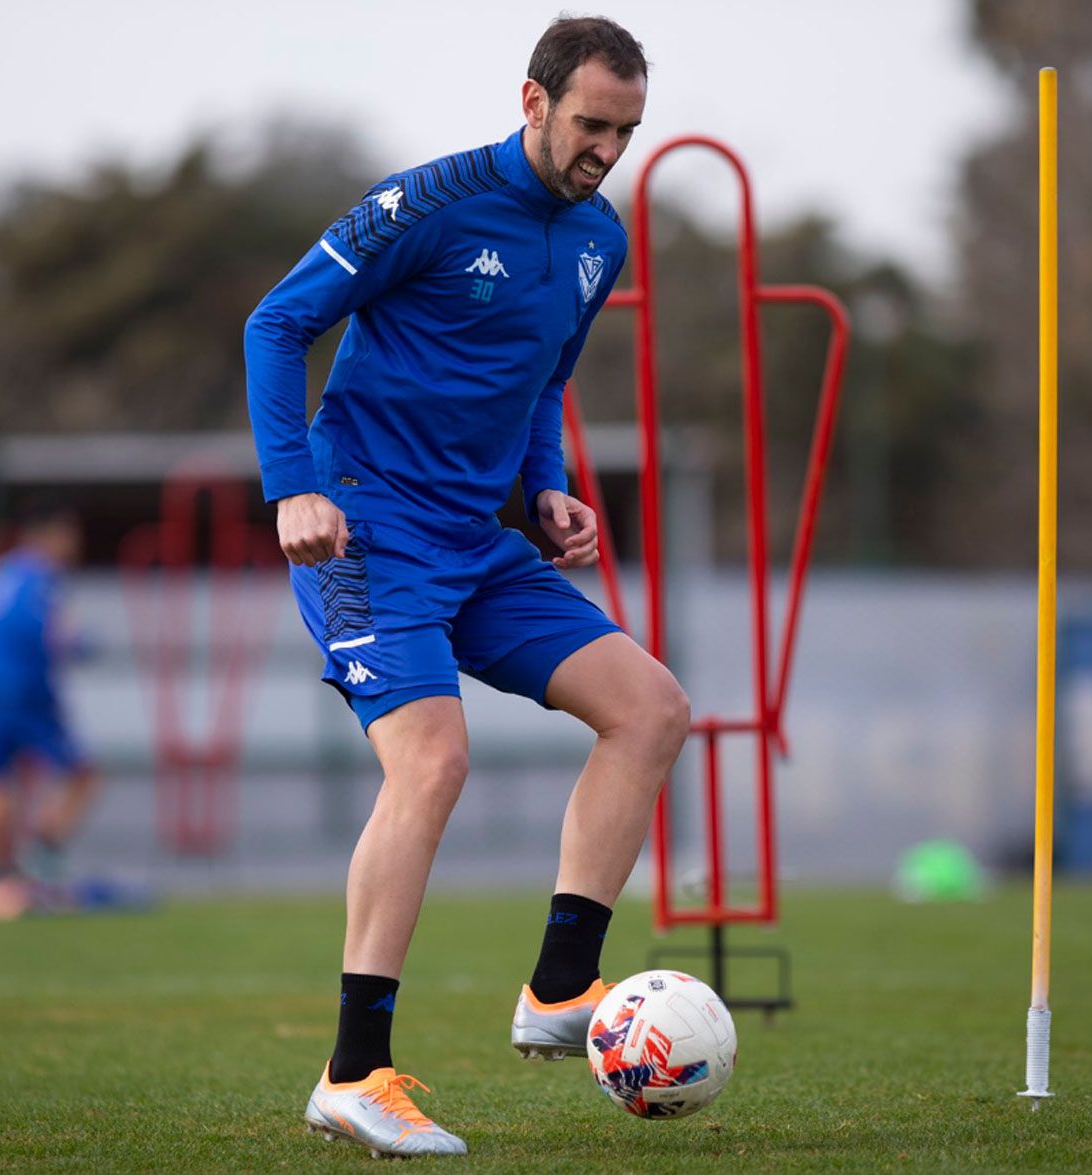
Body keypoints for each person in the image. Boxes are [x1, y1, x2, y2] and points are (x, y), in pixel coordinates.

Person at [245, 15, 689, 1158]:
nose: (606, 151)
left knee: (651, 708)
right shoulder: (426, 204)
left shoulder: (598, 241)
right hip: (366, 532)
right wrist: (294, 487)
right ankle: (353, 1072)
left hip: (478, 543)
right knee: (434, 760)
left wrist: (545, 487)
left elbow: (545, 380)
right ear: (533, 101)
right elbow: (276, 322)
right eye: (591, 124)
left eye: (627, 131)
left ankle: (560, 987)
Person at [0, 503, 98, 891]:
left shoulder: (4, 570)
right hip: (24, 695)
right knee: (82, 774)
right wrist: (81, 644)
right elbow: (45, 632)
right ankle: (44, 851)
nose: (73, 543)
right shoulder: (39, 575)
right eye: (67, 533)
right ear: (49, 533)